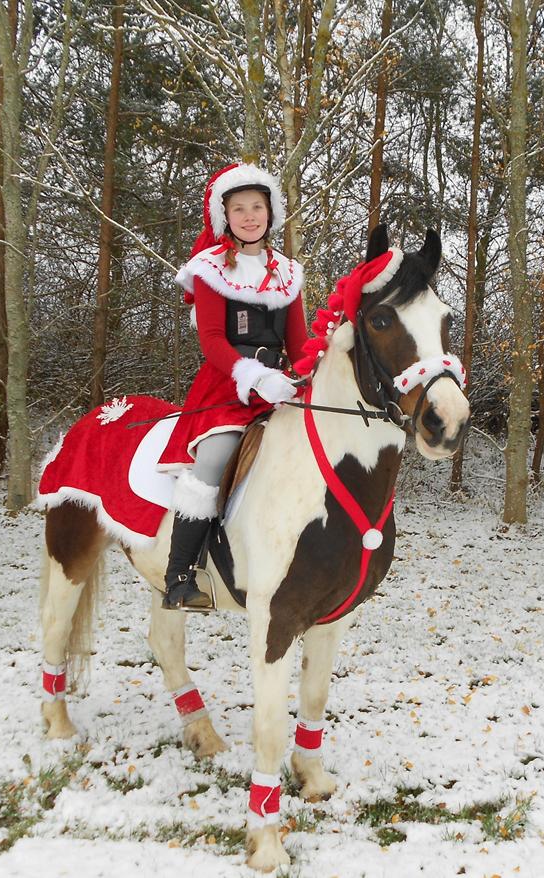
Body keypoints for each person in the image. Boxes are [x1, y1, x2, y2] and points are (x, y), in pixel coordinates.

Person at [157, 163, 307, 611]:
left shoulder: (288, 273)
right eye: (238, 208)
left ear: (270, 212)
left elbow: (299, 344)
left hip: (279, 386)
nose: (249, 216)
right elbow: (211, 341)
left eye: (256, 207)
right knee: (214, 460)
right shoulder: (209, 268)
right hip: (227, 385)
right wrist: (254, 375)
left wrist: (304, 375)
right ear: (225, 216)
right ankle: (180, 576)